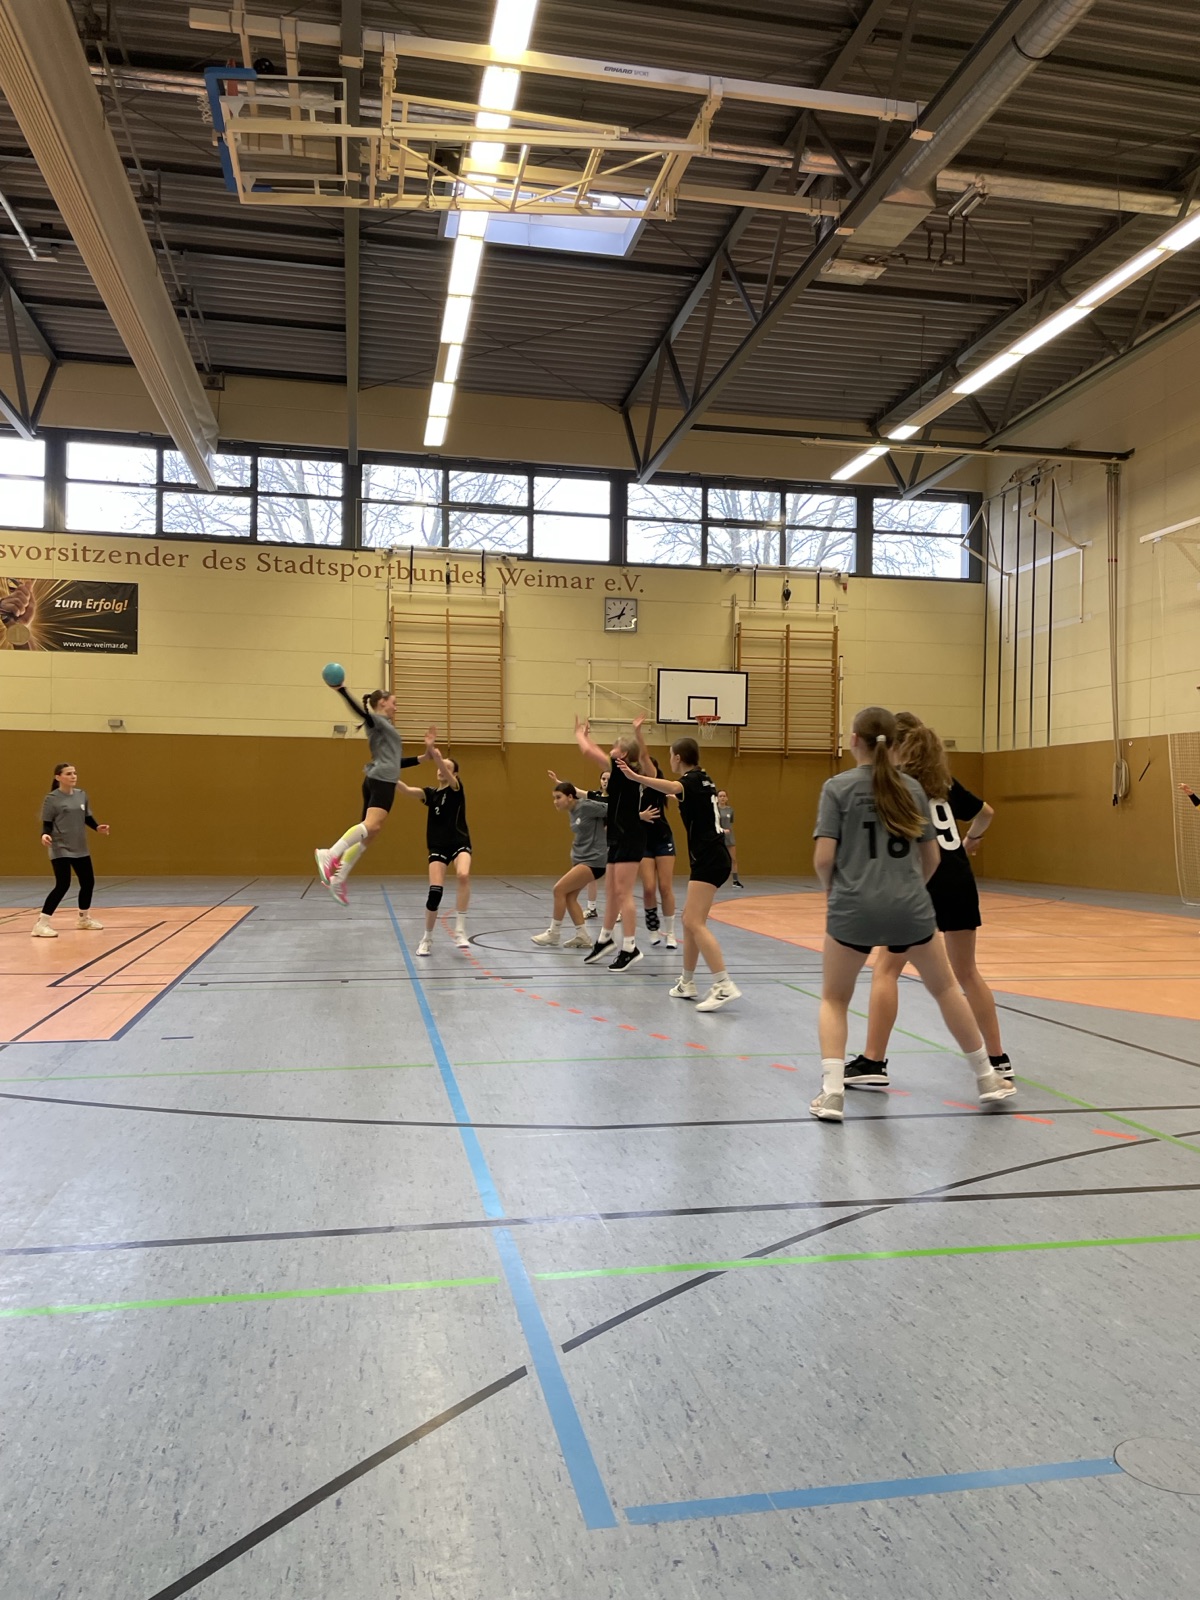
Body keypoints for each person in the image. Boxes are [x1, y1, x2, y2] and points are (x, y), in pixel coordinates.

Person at [809, 705, 1016, 1122]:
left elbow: (824, 858)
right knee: (949, 987)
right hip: (915, 904)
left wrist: (835, 891)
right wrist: (912, 889)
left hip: (855, 905)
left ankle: (835, 1091)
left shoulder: (838, 788)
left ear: (854, 740)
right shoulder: (917, 787)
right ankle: (988, 1074)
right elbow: (932, 857)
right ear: (894, 744)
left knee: (836, 997)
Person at [615, 736, 740, 1011]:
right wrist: (676, 797)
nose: (670, 759)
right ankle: (687, 982)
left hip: (708, 858)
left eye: (671, 755)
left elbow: (673, 786)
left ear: (678, 758)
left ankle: (723, 984)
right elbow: (686, 796)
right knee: (689, 921)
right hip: (712, 856)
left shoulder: (689, 781)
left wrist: (635, 776)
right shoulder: (705, 779)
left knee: (694, 922)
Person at [314, 685, 433, 903]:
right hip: (381, 780)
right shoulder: (376, 720)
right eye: (394, 703)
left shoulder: (386, 727)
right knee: (371, 826)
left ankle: (339, 878)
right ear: (382, 702)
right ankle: (329, 854)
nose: (396, 707)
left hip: (378, 778)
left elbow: (394, 761)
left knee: (371, 831)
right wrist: (342, 690)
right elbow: (361, 712)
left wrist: (421, 759)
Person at [572, 715, 652, 970]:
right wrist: (587, 738)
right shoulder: (622, 772)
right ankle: (605, 939)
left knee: (623, 893)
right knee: (611, 892)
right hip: (617, 837)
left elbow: (590, 752)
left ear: (623, 754)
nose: (610, 749)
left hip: (630, 836)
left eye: (615, 746)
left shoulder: (625, 770)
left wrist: (580, 735)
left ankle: (630, 947)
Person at [396, 743, 472, 955]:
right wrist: (387, 775)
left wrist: (436, 755)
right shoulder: (431, 794)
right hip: (438, 846)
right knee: (435, 892)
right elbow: (407, 790)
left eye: (447, 767)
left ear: (454, 774)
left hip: (459, 842)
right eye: (439, 766)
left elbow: (445, 770)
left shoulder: (456, 788)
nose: (441, 769)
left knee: (463, 874)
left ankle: (460, 931)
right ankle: (427, 938)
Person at [32, 763, 110, 938]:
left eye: (74, 773)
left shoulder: (81, 795)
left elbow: (86, 816)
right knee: (63, 884)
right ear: (58, 777)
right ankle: (41, 924)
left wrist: (97, 827)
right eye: (68, 774)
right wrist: (45, 834)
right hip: (60, 846)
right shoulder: (51, 798)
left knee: (88, 882)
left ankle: (83, 919)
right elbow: (47, 823)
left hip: (80, 846)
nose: (73, 776)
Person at [532, 774, 608, 948]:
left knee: (558, 890)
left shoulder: (586, 806)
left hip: (594, 860)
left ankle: (554, 933)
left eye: (558, 797)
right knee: (569, 897)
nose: (555, 802)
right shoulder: (573, 811)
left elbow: (614, 809)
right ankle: (583, 936)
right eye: (554, 798)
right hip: (581, 860)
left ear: (570, 797)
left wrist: (640, 815)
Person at [639, 757, 678, 950]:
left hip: (663, 840)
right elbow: (621, 814)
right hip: (643, 842)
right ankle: (653, 928)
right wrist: (639, 816)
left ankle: (670, 932)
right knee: (648, 888)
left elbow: (647, 764)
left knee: (665, 887)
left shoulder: (657, 786)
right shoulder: (631, 788)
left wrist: (639, 745)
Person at [583, 770, 608, 918]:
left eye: (608, 779)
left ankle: (617, 911)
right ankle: (591, 908)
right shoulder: (595, 796)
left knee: (612, 878)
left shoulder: (618, 798)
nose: (605, 781)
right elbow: (577, 792)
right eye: (603, 778)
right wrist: (558, 783)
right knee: (591, 875)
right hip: (596, 843)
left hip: (613, 842)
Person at [717, 790, 744, 888]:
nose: (722, 798)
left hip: (729, 837)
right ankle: (716, 879)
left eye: (724, 796)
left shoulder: (730, 810)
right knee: (717, 859)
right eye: (720, 796)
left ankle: (735, 880)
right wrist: (722, 830)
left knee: (733, 859)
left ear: (727, 798)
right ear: (717, 798)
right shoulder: (715, 810)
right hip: (718, 837)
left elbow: (730, 822)